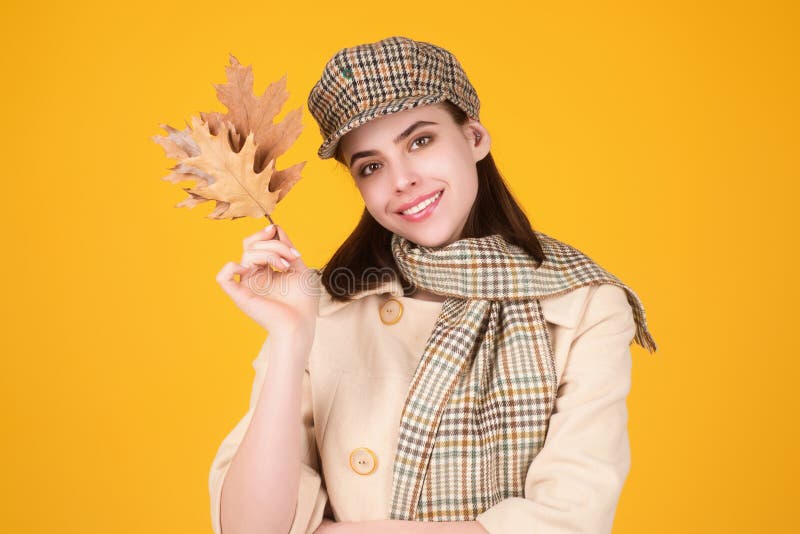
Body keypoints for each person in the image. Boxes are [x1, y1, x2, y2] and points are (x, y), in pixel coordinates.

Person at [209, 36, 657, 534]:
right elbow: (250, 528)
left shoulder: (583, 304)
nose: (401, 180)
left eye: (420, 141)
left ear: (474, 137)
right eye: (371, 166)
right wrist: (291, 341)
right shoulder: (322, 305)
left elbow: (569, 523)